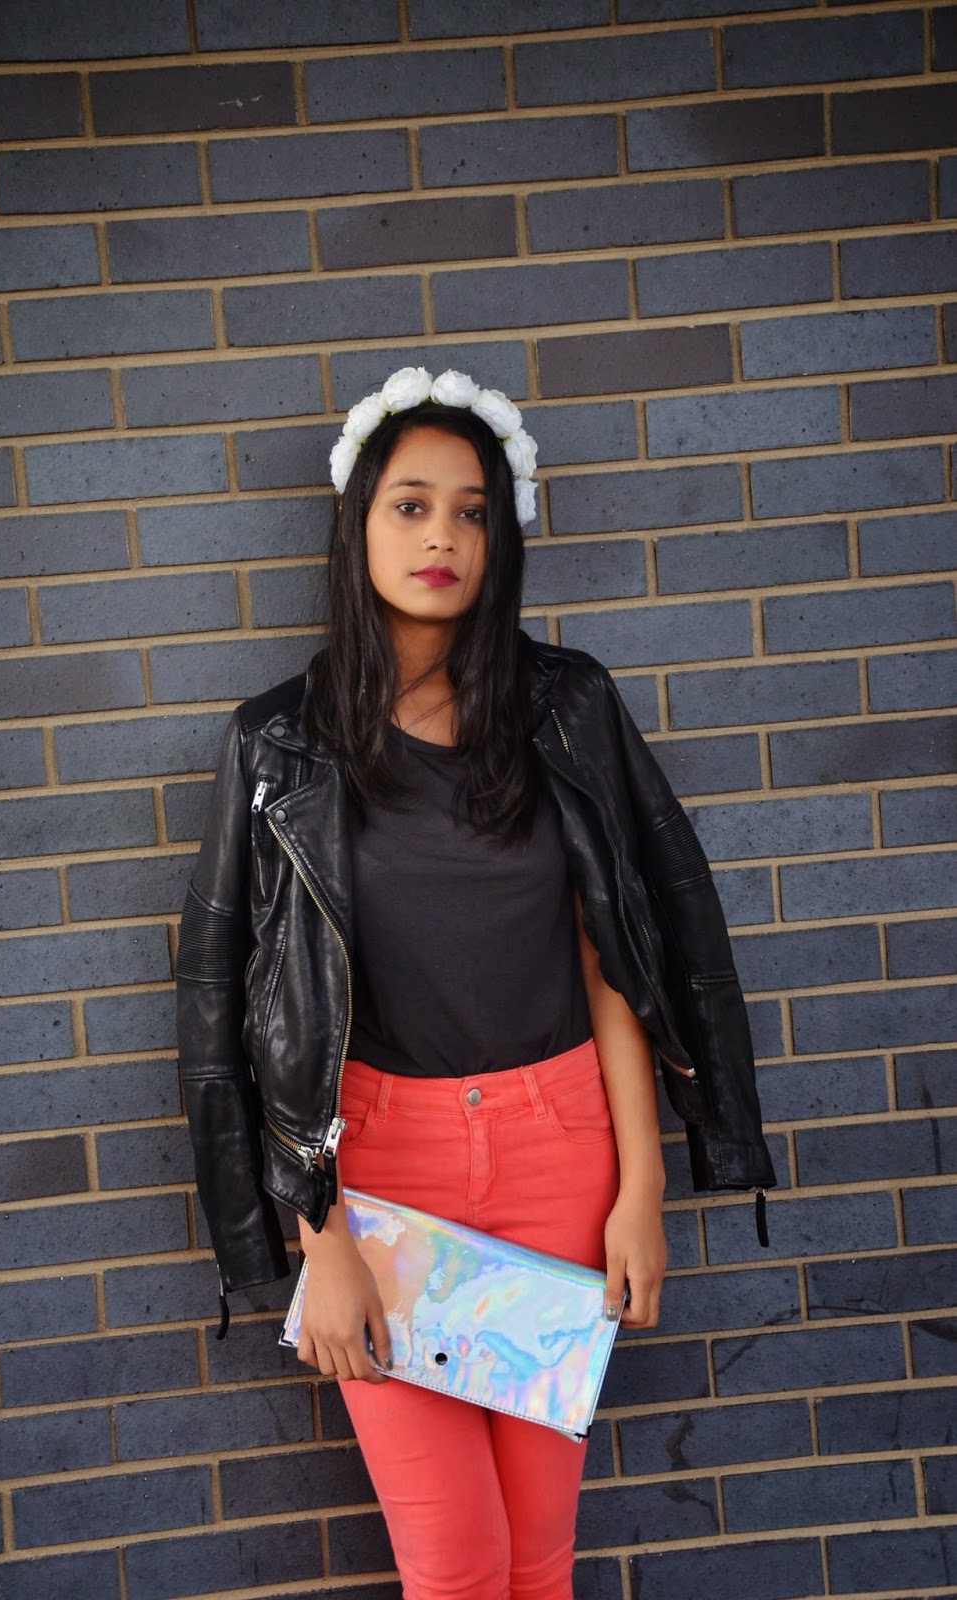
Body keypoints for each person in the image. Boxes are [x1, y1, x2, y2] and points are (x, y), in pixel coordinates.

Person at [176, 366, 775, 1600]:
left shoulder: (567, 708)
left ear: (501, 539)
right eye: (410, 506)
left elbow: (614, 960)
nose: (440, 536)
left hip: (563, 1152)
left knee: (537, 1560)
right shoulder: (276, 743)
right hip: (380, 1177)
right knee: (456, 1563)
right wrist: (318, 1236)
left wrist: (642, 1187)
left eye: (471, 512)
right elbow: (240, 1013)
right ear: (358, 525)